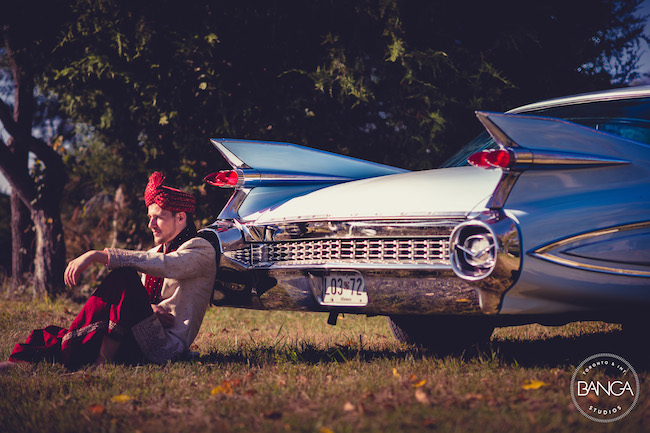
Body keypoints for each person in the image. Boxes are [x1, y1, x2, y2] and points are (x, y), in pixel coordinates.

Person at [2, 172, 217, 370]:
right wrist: (149, 309)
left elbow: (167, 264)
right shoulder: (157, 251)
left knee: (124, 275)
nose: (151, 224)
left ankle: (101, 362)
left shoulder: (200, 250)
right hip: (141, 334)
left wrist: (97, 255)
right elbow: (134, 298)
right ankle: (29, 361)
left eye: (158, 217)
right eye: (149, 217)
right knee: (60, 336)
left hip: (165, 348)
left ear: (180, 217)